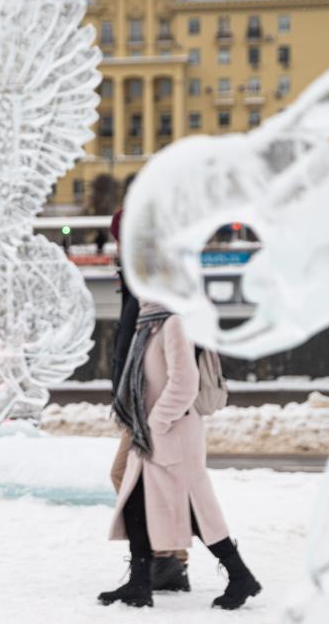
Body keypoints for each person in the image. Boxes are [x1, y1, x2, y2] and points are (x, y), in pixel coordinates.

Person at [100, 299, 261, 610]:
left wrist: (155, 422)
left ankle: (239, 576)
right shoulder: (149, 322)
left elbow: (185, 383)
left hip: (171, 435)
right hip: (152, 434)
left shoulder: (174, 323)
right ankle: (140, 582)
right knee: (138, 503)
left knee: (197, 511)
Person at [106, 209, 189, 594]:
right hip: (139, 396)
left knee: (129, 475)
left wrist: (163, 400)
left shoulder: (158, 280)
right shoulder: (137, 277)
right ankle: (165, 561)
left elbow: (170, 341)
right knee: (143, 477)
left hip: (152, 399)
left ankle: (166, 561)